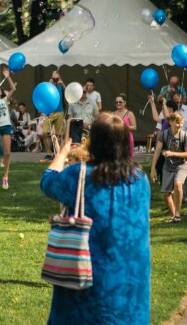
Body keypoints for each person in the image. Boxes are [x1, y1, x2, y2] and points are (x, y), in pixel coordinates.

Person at [41, 113, 150, 324]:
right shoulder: (140, 179)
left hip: (86, 281)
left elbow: (47, 181)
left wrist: (64, 150)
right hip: (131, 284)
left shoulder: (79, 175)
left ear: (94, 142)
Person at [150, 113, 187, 223]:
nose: (180, 125)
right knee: (166, 193)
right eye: (177, 123)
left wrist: (172, 153)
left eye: (181, 123)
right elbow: (157, 151)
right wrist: (152, 169)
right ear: (170, 122)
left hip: (182, 165)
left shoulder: (185, 136)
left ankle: (178, 214)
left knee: (178, 184)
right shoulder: (164, 135)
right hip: (168, 166)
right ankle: (174, 215)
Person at [40, 71, 66, 162]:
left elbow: (68, 95)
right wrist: (50, 84)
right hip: (49, 112)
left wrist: (62, 84)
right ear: (51, 78)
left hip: (60, 111)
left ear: (60, 78)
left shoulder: (61, 86)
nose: (56, 80)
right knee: (44, 133)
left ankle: (57, 154)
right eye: (54, 79)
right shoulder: (49, 85)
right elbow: (43, 95)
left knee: (59, 135)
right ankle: (49, 153)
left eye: (57, 79)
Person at [112, 93, 136, 158]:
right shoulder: (113, 114)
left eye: (120, 102)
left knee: (127, 158)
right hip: (116, 138)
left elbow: (134, 127)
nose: (118, 103)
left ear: (124, 103)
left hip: (127, 138)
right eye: (116, 102)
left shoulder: (129, 114)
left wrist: (123, 126)